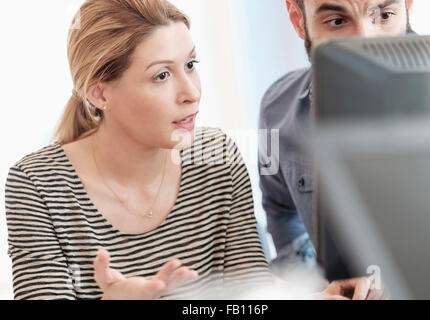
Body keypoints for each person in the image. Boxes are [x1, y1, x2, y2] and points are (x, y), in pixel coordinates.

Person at [5, 0, 272, 300]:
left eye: (190, 65)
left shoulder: (217, 155)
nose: (192, 93)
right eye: (162, 75)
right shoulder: (37, 183)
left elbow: (255, 297)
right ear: (100, 93)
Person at [258, 0, 414, 299]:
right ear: (298, 19)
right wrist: (319, 290)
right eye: (336, 21)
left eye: (384, 15)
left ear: (408, 5)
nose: (364, 43)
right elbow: (279, 210)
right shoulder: (273, 111)